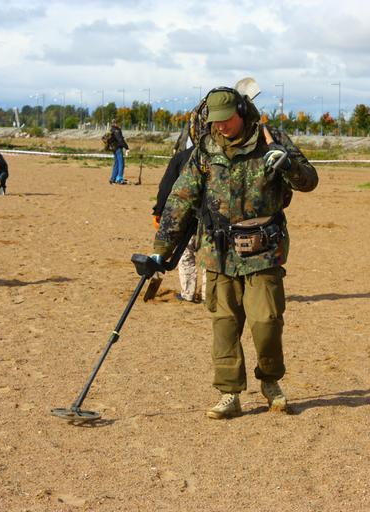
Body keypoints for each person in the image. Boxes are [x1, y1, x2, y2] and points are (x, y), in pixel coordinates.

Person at [151, 87, 318, 419]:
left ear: (242, 111)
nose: (221, 126)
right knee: (225, 325)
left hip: (263, 251)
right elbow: (180, 199)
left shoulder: (273, 140)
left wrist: (288, 166)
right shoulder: (205, 150)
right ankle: (229, 394)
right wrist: (160, 250)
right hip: (218, 252)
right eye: (215, 121)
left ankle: (270, 383)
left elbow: (309, 181)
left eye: (227, 119)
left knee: (267, 322)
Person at [152, 146, 205, 303]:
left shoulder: (183, 156)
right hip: (212, 218)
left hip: (187, 216)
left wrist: (159, 210)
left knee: (186, 253)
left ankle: (188, 293)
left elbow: (166, 186)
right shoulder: (221, 156)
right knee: (210, 256)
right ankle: (210, 295)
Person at [107, 120, 129, 184]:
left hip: (113, 148)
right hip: (118, 148)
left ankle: (113, 178)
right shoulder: (117, 130)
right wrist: (126, 147)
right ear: (116, 123)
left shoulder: (111, 129)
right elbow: (120, 140)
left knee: (116, 163)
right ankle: (119, 179)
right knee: (121, 163)